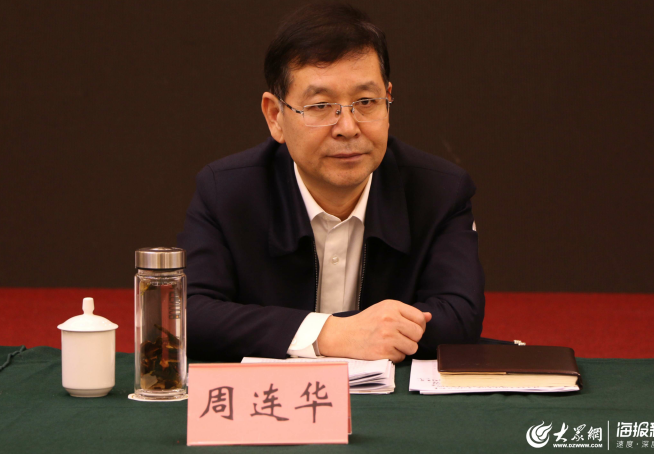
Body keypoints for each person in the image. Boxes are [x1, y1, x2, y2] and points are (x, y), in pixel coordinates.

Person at [177, 3, 484, 363]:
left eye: (366, 102)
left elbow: (459, 317)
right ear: (275, 116)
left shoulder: (440, 192)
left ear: (388, 100)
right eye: (321, 106)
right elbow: (187, 314)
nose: (348, 128)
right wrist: (328, 334)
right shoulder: (227, 192)